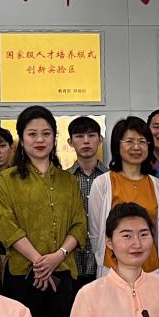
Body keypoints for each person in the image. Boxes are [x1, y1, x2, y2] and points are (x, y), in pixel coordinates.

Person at [0, 105, 86, 317]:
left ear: (54, 137)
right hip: (23, 276)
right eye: (32, 134)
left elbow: (80, 225)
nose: (40, 139)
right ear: (21, 138)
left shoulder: (67, 180)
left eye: (46, 133)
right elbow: (5, 226)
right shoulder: (8, 179)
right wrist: (39, 260)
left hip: (61, 275)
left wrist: (56, 257)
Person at [87, 116, 159, 277]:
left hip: (150, 268)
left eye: (142, 142)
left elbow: (157, 231)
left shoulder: (156, 184)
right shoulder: (103, 183)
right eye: (129, 141)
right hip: (113, 269)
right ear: (117, 145)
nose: (136, 147)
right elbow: (95, 233)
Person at [66, 116, 107, 290]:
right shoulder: (63, 179)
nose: (86, 141)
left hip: (105, 261)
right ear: (70, 142)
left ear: (100, 139)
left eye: (91, 135)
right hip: (71, 261)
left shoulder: (111, 179)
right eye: (79, 136)